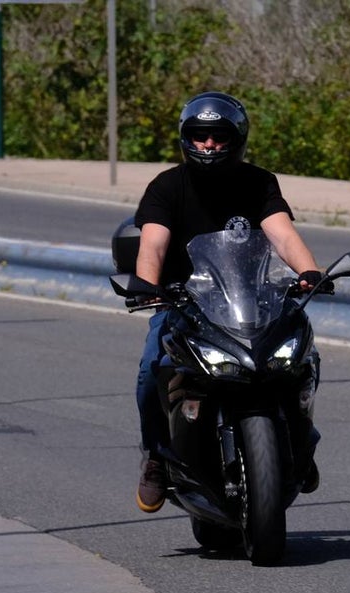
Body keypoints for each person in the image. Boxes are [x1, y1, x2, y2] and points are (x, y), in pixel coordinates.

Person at [131, 91, 324, 513]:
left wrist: (310, 273)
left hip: (252, 302)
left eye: (218, 136)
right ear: (186, 139)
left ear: (236, 137)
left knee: (302, 359)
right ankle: (157, 459)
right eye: (200, 136)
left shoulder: (258, 183)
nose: (209, 145)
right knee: (152, 370)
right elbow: (154, 244)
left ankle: (300, 444)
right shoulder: (167, 186)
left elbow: (282, 234)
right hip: (186, 306)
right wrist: (146, 285)